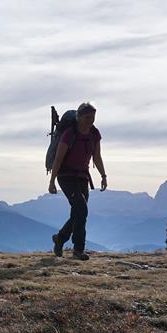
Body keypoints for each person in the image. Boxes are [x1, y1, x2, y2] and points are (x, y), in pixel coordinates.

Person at [47, 102, 107, 260]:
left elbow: (97, 157)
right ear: (79, 117)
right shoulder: (69, 134)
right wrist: (52, 181)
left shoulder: (94, 134)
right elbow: (58, 159)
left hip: (82, 177)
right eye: (87, 117)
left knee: (78, 213)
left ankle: (60, 238)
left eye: (93, 117)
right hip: (66, 176)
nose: (90, 121)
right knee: (82, 210)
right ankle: (78, 250)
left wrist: (103, 176)